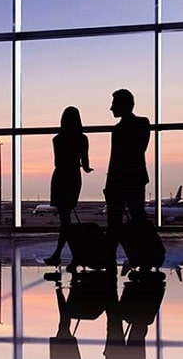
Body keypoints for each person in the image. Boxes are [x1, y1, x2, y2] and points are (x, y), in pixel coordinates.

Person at [104, 89, 151, 261]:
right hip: (135, 178)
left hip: (119, 180)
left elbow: (115, 159)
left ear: (124, 105)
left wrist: (109, 184)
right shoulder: (143, 123)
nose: (111, 108)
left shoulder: (118, 130)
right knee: (138, 218)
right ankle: (144, 255)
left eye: (114, 104)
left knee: (114, 222)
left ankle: (109, 256)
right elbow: (137, 151)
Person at [45, 107, 93, 267]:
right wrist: (85, 167)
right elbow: (85, 165)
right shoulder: (82, 139)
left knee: (64, 220)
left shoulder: (57, 139)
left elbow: (57, 162)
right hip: (73, 177)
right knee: (66, 220)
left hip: (60, 177)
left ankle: (62, 255)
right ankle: (71, 256)